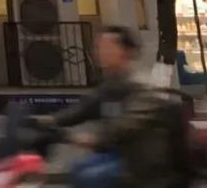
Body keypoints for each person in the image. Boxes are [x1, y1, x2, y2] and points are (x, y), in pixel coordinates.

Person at [42, 25, 185, 188]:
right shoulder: (110, 85)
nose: (101, 52)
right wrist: (47, 121)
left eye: (108, 47)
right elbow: (82, 109)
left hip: (142, 162)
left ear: (127, 52)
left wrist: (86, 139)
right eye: (99, 47)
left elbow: (124, 128)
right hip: (119, 153)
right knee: (78, 170)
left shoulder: (142, 87)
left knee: (89, 177)